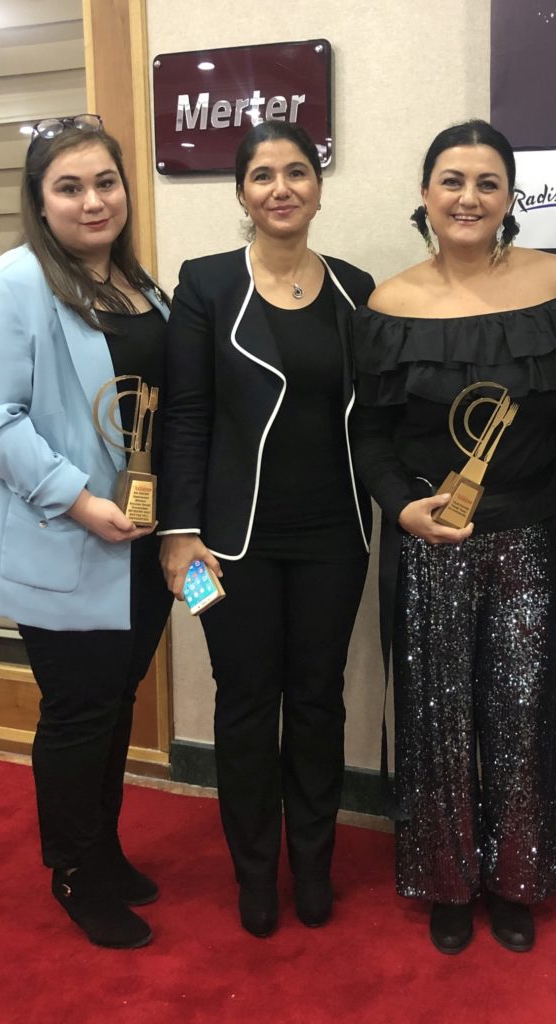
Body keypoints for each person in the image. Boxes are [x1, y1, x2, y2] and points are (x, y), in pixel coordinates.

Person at [350, 120, 556, 955]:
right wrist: (399, 507)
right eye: (451, 180)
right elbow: (369, 435)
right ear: (424, 194)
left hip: (527, 535)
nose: (468, 197)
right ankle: (448, 884)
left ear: (509, 196)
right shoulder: (387, 306)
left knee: (522, 715)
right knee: (437, 722)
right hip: (430, 541)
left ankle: (517, 878)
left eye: (486, 182)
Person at [0, 115, 174, 949]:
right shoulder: (12, 285)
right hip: (69, 535)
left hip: (143, 539)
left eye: (105, 182)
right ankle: (75, 871)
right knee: (80, 711)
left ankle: (103, 849)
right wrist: (78, 500)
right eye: (70, 187)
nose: (93, 201)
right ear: (39, 201)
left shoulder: (139, 286)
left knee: (115, 703)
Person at [158, 121, 374, 938]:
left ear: (317, 186)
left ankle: (312, 867)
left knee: (317, 701)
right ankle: (254, 873)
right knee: (246, 702)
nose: (280, 188)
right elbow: (185, 415)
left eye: (296, 172)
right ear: (241, 193)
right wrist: (178, 532)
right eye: (262, 176)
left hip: (334, 536)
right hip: (226, 543)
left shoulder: (355, 288)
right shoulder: (206, 283)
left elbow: (374, 415)